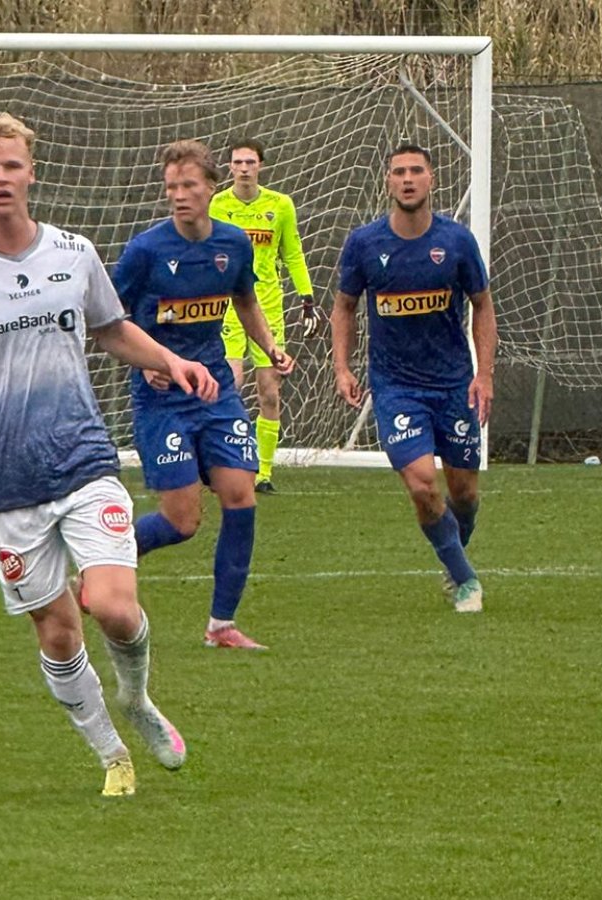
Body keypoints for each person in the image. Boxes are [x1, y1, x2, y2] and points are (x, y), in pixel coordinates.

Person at [0, 114, 210, 796]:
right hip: (7, 477)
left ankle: (136, 699)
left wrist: (169, 360)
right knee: (57, 633)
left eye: (11, 165)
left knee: (113, 606)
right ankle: (113, 756)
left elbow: (112, 328)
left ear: (31, 172)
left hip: (84, 458)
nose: (1, 178)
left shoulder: (73, 252)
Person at [114, 139, 296, 651]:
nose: (178, 195)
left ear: (211, 188)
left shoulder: (233, 244)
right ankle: (104, 559)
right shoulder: (146, 251)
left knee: (241, 496)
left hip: (215, 390)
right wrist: (147, 363)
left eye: (188, 185)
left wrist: (269, 347)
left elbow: (245, 300)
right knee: (182, 521)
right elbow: (109, 320)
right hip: (162, 397)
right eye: (171, 187)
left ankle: (222, 625)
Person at [331, 143, 497, 613]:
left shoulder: (457, 242)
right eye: (399, 172)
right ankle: (465, 579)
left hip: (453, 383)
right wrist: (342, 367)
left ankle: (453, 557)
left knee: (464, 492)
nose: (407, 179)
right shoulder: (365, 243)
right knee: (423, 484)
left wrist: (484, 374)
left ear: (431, 179)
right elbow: (344, 307)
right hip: (396, 387)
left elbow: (483, 305)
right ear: (388, 181)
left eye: (416, 171)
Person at [211, 138, 322, 493]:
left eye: (250, 162)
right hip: (227, 307)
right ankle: (225, 460)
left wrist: (307, 299)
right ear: (230, 166)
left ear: (260, 165)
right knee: (230, 383)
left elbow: (293, 253)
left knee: (270, 391)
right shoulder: (217, 205)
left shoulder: (280, 205)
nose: (244, 168)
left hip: (269, 307)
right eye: (238, 162)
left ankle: (263, 472)